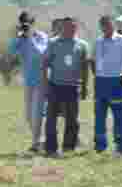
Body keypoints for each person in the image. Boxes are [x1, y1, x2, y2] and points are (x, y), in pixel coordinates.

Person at [90, 15, 122, 156]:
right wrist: (96, 74)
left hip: (117, 81)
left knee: (120, 116)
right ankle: (100, 146)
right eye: (104, 25)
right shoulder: (98, 42)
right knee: (99, 115)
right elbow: (92, 60)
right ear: (101, 27)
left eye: (109, 25)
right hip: (101, 82)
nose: (106, 28)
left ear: (113, 25)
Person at [41, 17, 89, 158]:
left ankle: (69, 147)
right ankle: (50, 148)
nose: (71, 29)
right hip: (55, 85)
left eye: (73, 27)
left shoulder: (82, 45)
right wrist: (45, 85)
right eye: (68, 27)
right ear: (62, 27)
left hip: (73, 87)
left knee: (72, 119)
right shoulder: (53, 43)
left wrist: (85, 86)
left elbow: (84, 67)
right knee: (51, 119)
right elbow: (44, 64)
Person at [10, 10, 49, 153]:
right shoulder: (21, 38)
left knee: (37, 113)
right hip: (28, 80)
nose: (25, 26)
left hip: (41, 80)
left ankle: (36, 143)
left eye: (28, 24)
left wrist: (31, 37)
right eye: (23, 24)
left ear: (33, 23)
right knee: (28, 115)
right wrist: (19, 37)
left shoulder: (42, 37)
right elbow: (12, 51)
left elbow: (40, 54)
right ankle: (40, 140)